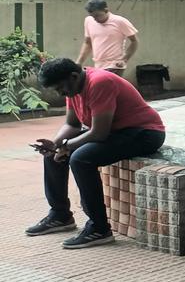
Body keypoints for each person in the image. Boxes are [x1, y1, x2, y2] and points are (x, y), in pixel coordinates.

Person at [25, 58, 166, 248]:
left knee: (81, 159)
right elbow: (72, 124)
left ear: (73, 76)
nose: (60, 93)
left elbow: (99, 133)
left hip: (144, 133)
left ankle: (99, 228)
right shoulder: (73, 86)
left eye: (60, 88)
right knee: (52, 154)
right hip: (115, 132)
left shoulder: (99, 82)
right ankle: (60, 215)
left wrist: (66, 147)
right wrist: (55, 144)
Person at [76, 0, 139, 76]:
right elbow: (88, 43)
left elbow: (134, 41)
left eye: (97, 15)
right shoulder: (89, 21)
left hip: (115, 65)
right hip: (98, 64)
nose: (95, 19)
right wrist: (79, 62)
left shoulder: (120, 21)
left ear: (106, 10)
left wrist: (124, 59)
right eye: (93, 16)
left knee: (106, 86)